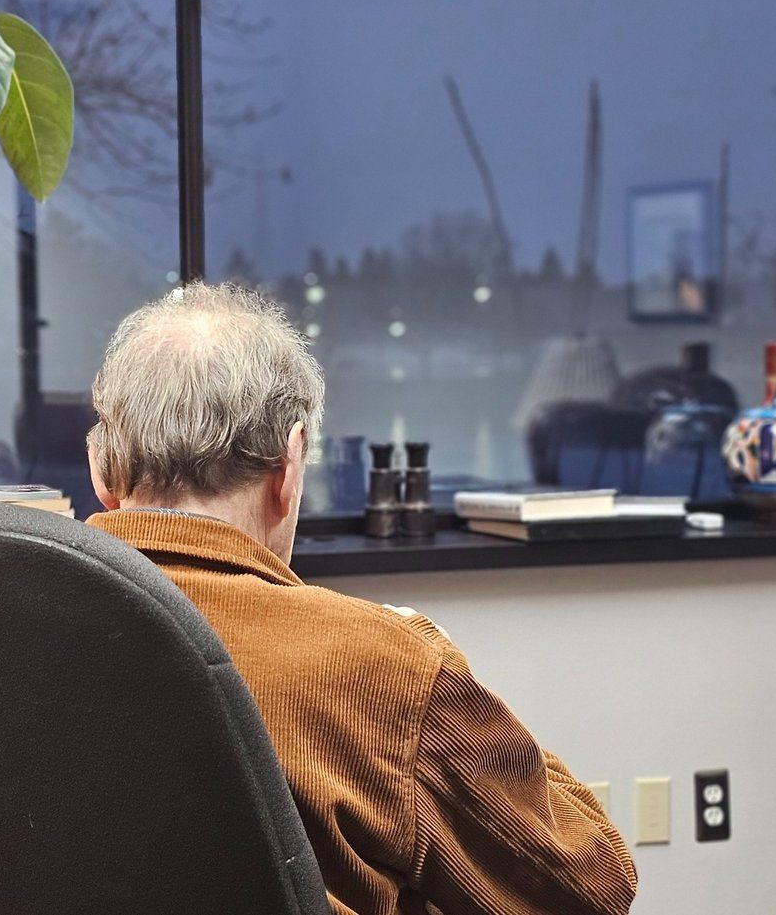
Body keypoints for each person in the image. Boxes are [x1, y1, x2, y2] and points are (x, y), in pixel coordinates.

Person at [84, 283, 637, 915]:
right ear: (291, 466)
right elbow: (589, 892)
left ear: (103, 470)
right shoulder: (384, 668)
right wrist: (439, 668)